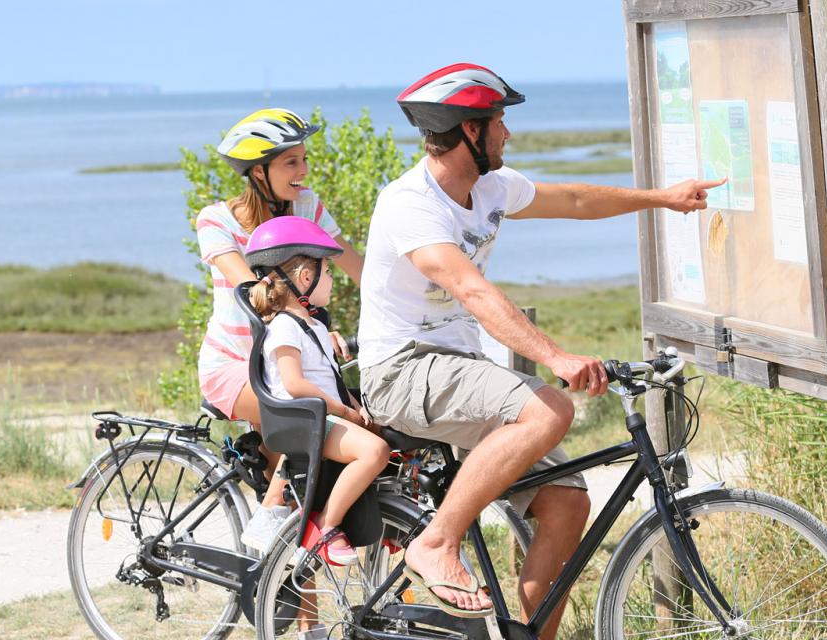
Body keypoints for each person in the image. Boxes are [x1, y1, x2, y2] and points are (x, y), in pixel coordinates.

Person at [358, 63, 723, 636]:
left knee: (565, 503)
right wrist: (555, 358)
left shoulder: (491, 187)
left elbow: (576, 198)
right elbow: (471, 289)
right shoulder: (411, 205)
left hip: (458, 369)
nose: (509, 133)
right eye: (499, 121)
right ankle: (437, 541)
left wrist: (663, 197)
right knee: (549, 408)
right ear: (469, 131)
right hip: (401, 370)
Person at [194, 108, 365, 551]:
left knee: (308, 493)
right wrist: (308, 328)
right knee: (309, 415)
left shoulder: (307, 207)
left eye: (304, 160)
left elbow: (356, 266)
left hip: (287, 359)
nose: (304, 171)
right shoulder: (217, 220)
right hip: (234, 366)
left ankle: (303, 616)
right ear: (257, 172)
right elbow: (255, 295)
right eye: (291, 162)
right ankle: (270, 512)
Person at [246, 216, 388, 568]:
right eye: (329, 274)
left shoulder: (315, 327)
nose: (332, 282)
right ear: (306, 278)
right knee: (375, 451)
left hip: (321, 415)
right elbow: (295, 384)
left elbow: (329, 378)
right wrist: (344, 412)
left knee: (386, 432)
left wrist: (356, 406)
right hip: (304, 421)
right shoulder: (283, 327)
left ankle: (386, 522)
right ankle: (325, 526)